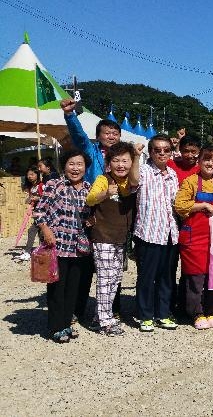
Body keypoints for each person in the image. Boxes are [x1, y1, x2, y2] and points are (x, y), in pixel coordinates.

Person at [60, 98, 123, 323]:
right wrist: (70, 115)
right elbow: (78, 136)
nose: (111, 136)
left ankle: (113, 308)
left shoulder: (123, 156)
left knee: (114, 265)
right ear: (98, 136)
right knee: (84, 265)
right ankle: (77, 309)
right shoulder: (90, 150)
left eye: (115, 133)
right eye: (107, 133)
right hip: (91, 212)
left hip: (115, 216)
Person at [33, 150, 93, 343]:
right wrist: (46, 230)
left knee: (73, 288)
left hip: (78, 249)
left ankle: (66, 323)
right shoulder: (55, 185)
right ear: (64, 166)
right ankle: (56, 327)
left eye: (79, 164)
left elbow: (89, 214)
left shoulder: (88, 188)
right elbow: (39, 211)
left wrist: (90, 220)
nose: (75, 168)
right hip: (57, 245)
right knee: (57, 288)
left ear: (85, 167)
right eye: (71, 164)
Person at [85, 142, 141, 336]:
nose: (121, 165)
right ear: (109, 163)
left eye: (125, 161)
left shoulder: (129, 182)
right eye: (116, 160)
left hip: (120, 238)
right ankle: (105, 321)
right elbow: (90, 199)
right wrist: (105, 193)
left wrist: (137, 155)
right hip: (103, 236)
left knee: (115, 279)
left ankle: (99, 317)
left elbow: (134, 182)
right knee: (105, 278)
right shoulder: (103, 179)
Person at [174, 147, 213, 330]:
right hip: (194, 237)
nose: (210, 163)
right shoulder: (190, 181)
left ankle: (212, 311)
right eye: (207, 159)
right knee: (195, 277)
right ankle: (196, 312)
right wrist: (203, 205)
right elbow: (180, 206)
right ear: (199, 161)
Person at [133, 135, 180, 333]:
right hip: (149, 232)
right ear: (150, 152)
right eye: (157, 150)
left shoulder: (173, 174)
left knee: (167, 277)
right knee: (146, 276)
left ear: (171, 152)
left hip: (171, 232)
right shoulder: (143, 170)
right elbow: (133, 182)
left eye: (166, 150)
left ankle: (163, 313)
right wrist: (136, 156)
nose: (162, 153)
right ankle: (145, 315)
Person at [16, 167, 43, 262]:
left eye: (32, 174)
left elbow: (47, 198)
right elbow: (29, 199)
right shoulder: (32, 187)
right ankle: (42, 251)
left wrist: (37, 198)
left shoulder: (41, 186)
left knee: (32, 231)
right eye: (28, 175)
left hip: (43, 213)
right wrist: (29, 199)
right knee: (40, 233)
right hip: (36, 212)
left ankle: (27, 252)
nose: (29, 176)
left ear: (37, 175)